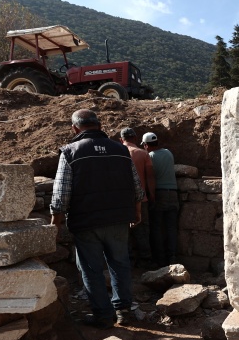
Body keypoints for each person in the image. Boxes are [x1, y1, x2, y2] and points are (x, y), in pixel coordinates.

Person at [50, 109, 143, 328]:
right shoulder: (121, 150)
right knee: (120, 264)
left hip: (86, 222)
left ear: (75, 128)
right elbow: (136, 186)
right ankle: (124, 312)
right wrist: (137, 212)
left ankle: (103, 315)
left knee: (91, 269)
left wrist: (55, 223)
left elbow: (61, 192)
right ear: (100, 126)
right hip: (119, 219)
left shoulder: (70, 152)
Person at [120, 127, 155, 266]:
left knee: (123, 232)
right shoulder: (142, 153)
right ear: (135, 138)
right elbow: (150, 177)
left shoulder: (117, 153)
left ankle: (128, 261)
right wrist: (152, 194)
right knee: (142, 230)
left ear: (121, 140)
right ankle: (146, 260)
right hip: (141, 198)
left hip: (122, 200)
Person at [142, 131, 179, 267]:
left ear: (146, 145)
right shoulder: (168, 153)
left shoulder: (150, 156)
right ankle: (173, 257)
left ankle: (160, 260)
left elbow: (149, 176)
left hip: (159, 194)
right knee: (171, 228)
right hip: (173, 193)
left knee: (156, 227)